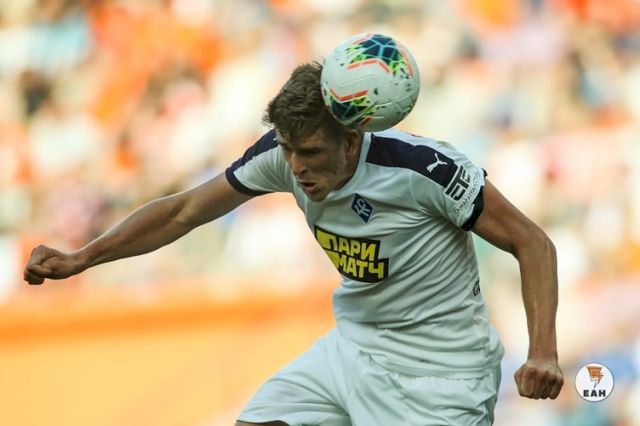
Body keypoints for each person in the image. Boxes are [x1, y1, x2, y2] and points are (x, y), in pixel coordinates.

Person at [24, 61, 563, 425]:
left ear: (350, 140)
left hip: (440, 377)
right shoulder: (282, 156)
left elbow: (533, 243)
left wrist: (542, 351)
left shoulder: (425, 169)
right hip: (353, 350)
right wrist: (83, 257)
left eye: (310, 153)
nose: (296, 168)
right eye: (288, 149)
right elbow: (183, 211)